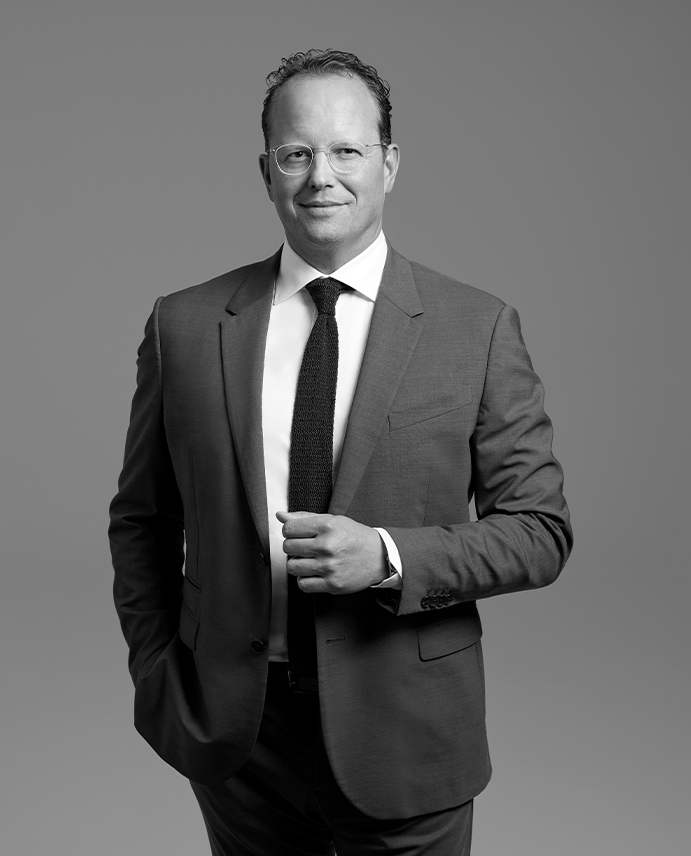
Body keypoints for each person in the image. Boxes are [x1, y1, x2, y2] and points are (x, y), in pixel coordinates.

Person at [109, 48, 572, 855]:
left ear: (388, 165)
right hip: (238, 736)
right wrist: (157, 669)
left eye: (347, 150)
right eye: (296, 153)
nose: (321, 176)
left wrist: (388, 557)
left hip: (407, 730)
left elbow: (540, 531)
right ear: (266, 171)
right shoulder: (184, 325)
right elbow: (143, 520)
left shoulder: (477, 328)